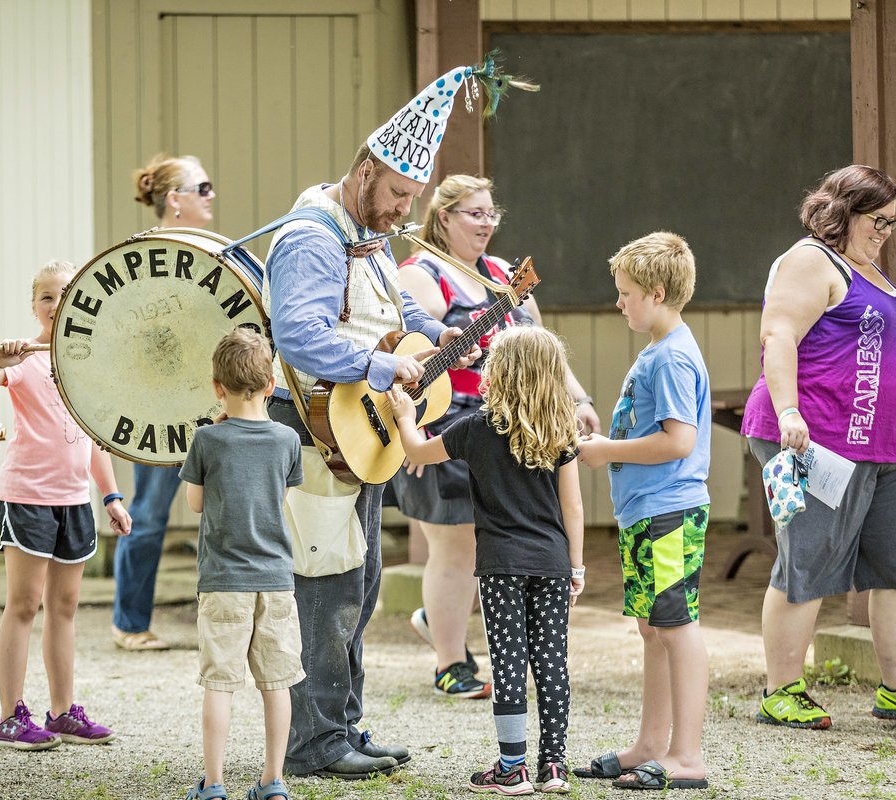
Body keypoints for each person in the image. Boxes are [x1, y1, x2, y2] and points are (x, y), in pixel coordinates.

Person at [262, 59, 529, 780]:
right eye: (397, 194)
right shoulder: (313, 237)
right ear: (364, 172)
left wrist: (435, 332)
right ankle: (313, 741)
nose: (403, 211)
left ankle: (341, 724)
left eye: (412, 197)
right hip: (316, 431)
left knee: (360, 583)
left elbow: (393, 305)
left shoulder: (366, 231)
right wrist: (382, 368)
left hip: (355, 433)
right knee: (325, 584)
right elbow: (299, 336)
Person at [739, 165, 896, 727]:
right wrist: (788, 411)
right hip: (819, 441)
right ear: (843, 211)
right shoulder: (812, 260)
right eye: (878, 220)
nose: (885, 232)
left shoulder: (867, 267)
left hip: (890, 449)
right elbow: (779, 334)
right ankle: (782, 691)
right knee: (809, 558)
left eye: (892, 222)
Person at [394, 174, 600, 701]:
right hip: (442, 423)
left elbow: (541, 346)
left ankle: (439, 619)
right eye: (475, 213)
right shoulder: (421, 275)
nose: (487, 223)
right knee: (455, 541)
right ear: (444, 217)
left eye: (492, 213)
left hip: (508, 426)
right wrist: (413, 428)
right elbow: (406, 349)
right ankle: (450, 662)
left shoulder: (506, 274)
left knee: (490, 541)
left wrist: (578, 399)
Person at [387, 325, 585, 795]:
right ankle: (554, 766)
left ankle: (512, 768)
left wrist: (405, 416)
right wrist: (575, 567)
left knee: (509, 662)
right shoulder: (562, 432)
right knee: (552, 661)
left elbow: (417, 452)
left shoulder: (475, 428)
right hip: (553, 564)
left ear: (498, 374)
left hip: (500, 564)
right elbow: (573, 507)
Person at [576, 232, 711, 790]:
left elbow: (679, 442)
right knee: (653, 628)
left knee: (676, 627)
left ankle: (687, 756)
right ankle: (651, 745)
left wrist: (607, 450)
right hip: (646, 514)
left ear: (656, 293)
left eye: (626, 293)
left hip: (669, 513)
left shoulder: (672, 356)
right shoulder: (658, 350)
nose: (618, 302)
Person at [0, 260, 132, 749]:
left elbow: (94, 440)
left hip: (74, 501)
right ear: (34, 306)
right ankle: (9, 717)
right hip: (27, 497)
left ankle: (63, 712)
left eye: (67, 293)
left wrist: (111, 496)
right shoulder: (23, 360)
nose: (57, 302)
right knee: (24, 604)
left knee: (63, 607)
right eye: (47, 295)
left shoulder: (89, 364)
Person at [179, 328, 305, 800]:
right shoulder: (288, 439)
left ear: (218, 387)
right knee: (277, 683)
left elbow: (195, 504)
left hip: (222, 580)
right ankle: (273, 780)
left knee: (220, 684)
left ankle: (213, 784)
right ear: (271, 384)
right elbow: (279, 498)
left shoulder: (207, 440)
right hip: (275, 580)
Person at [113, 153, 217, 652]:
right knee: (150, 514)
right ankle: (129, 624)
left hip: (209, 403)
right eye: (203, 188)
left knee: (221, 512)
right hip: (158, 405)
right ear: (175, 199)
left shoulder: (215, 253)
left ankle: (222, 622)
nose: (212, 196)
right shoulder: (143, 256)